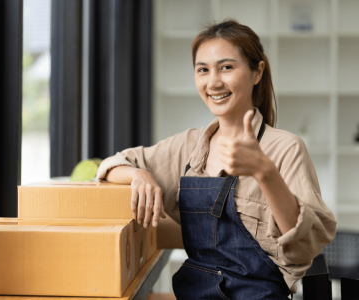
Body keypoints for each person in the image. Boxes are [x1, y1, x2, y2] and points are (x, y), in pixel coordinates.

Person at [96, 19, 336, 299]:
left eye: (227, 67)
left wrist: (265, 173)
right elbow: (113, 164)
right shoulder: (187, 146)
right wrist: (140, 175)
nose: (213, 82)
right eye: (203, 70)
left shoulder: (285, 147)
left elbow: (305, 247)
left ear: (257, 72)